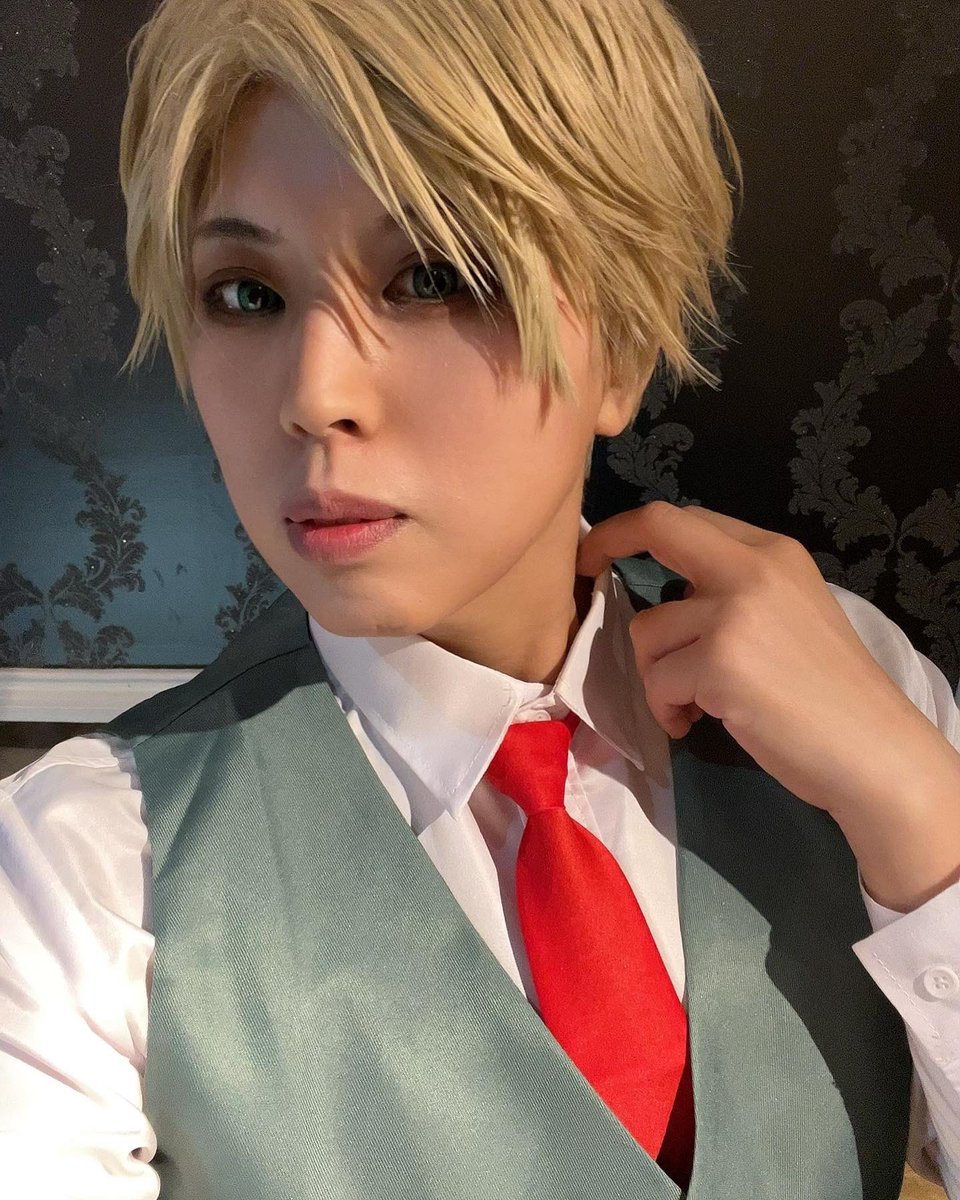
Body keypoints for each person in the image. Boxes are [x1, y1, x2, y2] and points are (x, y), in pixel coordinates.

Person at [2, 0, 959, 1196]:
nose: (314, 394)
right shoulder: (82, 869)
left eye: (433, 277)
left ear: (621, 348)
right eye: (245, 294)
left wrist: (927, 822)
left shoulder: (858, 685)